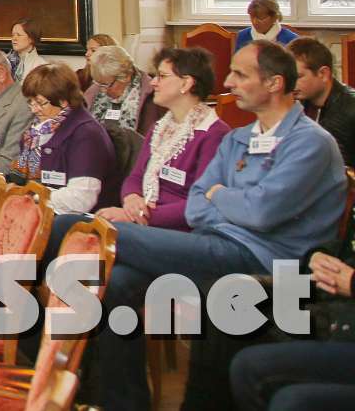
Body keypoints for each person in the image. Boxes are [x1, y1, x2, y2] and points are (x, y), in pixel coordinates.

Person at [86, 40, 346, 411]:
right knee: (119, 280)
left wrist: (220, 196)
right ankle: (123, 403)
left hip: (267, 261)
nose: (228, 82)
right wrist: (229, 201)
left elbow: (261, 213)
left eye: (240, 74)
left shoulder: (310, 142)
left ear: (274, 83)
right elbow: (197, 206)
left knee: (98, 233)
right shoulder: (241, 137)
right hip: (216, 243)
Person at [94, 46, 227, 232]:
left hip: (180, 231)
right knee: (75, 226)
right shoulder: (160, 128)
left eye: (162, 76)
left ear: (186, 83)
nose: (153, 82)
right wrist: (131, 197)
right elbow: (135, 177)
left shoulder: (214, 134)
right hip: (147, 223)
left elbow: (202, 202)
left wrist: (139, 216)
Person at [230, 245, 355, 411]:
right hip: (329, 303)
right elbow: (343, 247)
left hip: (340, 321)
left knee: (292, 401)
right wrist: (318, 256)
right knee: (226, 305)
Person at [13, 62, 118, 214]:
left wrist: (32, 197)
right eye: (30, 102)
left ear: (63, 101)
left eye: (41, 103)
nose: (34, 109)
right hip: (42, 208)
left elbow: (81, 199)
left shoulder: (87, 134)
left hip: (74, 219)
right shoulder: (39, 129)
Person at [289, 36, 355, 167]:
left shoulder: (350, 110)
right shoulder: (299, 102)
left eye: (298, 76)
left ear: (323, 74)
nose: (290, 84)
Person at [83, 43, 157, 135]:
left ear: (125, 77)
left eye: (106, 85)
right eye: (98, 84)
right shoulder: (93, 91)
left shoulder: (150, 99)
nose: (102, 90)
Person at [233, 0, 298, 52]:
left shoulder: (291, 39)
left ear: (274, 17)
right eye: (252, 17)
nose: (255, 22)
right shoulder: (242, 35)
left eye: (260, 18)